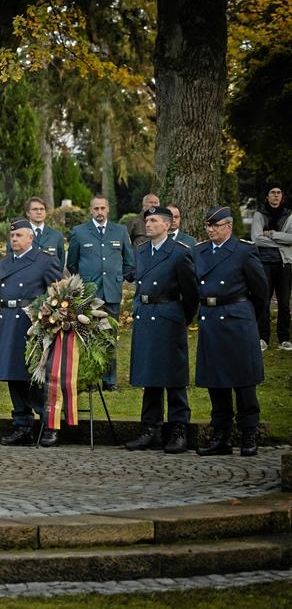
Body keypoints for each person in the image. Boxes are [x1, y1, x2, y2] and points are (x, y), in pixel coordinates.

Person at [194, 206, 268, 457]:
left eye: (215, 225)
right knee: (216, 382)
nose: (210, 229)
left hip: (237, 321)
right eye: (208, 226)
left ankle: (248, 433)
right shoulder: (199, 251)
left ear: (228, 226)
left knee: (244, 380)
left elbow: (261, 293)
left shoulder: (244, 252)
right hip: (210, 320)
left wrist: (246, 317)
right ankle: (221, 435)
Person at [125, 206, 199, 453]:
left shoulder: (179, 253)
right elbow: (139, 285)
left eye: (154, 220)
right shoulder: (142, 251)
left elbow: (191, 293)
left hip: (169, 316)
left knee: (174, 375)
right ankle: (150, 428)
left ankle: (178, 428)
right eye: (147, 220)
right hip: (146, 316)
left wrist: (180, 317)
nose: (149, 224)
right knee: (149, 375)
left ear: (167, 225)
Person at [0, 219, 64, 446]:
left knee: (35, 377)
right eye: (12, 236)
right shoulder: (5, 263)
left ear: (30, 238)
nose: (14, 239)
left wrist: (47, 316)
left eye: (19, 236)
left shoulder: (45, 260)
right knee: (13, 375)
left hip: (32, 324)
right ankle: (22, 423)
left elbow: (59, 294)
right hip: (8, 322)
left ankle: (49, 424)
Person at [66, 194, 135, 390]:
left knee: (110, 336)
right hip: (89, 294)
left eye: (103, 208)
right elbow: (72, 263)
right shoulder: (79, 232)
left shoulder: (120, 231)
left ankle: (109, 380)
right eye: (96, 209)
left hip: (112, 291)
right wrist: (82, 285)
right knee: (88, 337)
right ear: (90, 210)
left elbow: (129, 261)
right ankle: (90, 380)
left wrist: (119, 277)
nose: (99, 212)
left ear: (108, 210)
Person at [251, 183, 291, 351]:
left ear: (282, 196)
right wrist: (283, 240)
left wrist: (272, 234)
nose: (276, 195)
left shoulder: (289, 215)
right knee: (264, 301)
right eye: (272, 192)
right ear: (267, 196)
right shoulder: (259, 214)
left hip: (284, 263)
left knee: (284, 303)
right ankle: (263, 338)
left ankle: (284, 339)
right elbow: (257, 239)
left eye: (279, 192)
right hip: (264, 263)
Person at [25, 196, 65, 264]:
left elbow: (60, 262)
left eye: (42, 209)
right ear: (28, 213)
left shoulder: (56, 236)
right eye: (35, 209)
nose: (39, 212)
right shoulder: (18, 234)